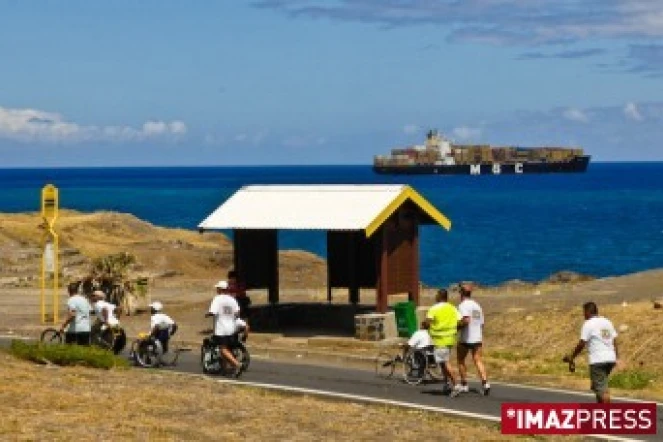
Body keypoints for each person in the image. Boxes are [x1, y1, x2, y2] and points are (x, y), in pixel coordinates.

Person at [564, 301, 619, 403]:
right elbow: (614, 339)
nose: (583, 315)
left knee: (603, 392)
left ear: (587, 312)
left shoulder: (588, 324)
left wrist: (572, 357)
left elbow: (582, 343)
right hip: (610, 359)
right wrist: (617, 357)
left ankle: (608, 416)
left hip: (598, 360)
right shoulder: (607, 321)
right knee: (598, 387)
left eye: (584, 312)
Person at [425, 288, 462, 396]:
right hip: (450, 338)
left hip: (440, 339)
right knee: (442, 362)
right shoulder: (453, 308)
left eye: (437, 295)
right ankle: (446, 383)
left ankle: (456, 384)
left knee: (445, 362)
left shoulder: (434, 308)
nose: (435, 297)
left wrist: (425, 325)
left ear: (440, 296)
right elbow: (460, 321)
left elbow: (428, 322)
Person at [456, 283, 490, 396]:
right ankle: (485, 383)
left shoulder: (463, 305)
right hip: (477, 337)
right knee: (478, 360)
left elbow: (466, 320)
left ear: (461, 293)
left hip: (466, 338)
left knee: (461, 359)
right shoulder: (477, 306)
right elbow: (481, 323)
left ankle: (464, 384)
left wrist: (457, 327)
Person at [206, 280, 243, 376]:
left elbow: (213, 312)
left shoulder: (217, 299)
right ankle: (224, 369)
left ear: (219, 289)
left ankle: (236, 364)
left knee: (222, 349)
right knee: (226, 349)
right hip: (232, 328)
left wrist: (207, 314)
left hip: (221, 329)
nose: (216, 290)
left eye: (217, 288)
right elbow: (237, 313)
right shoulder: (232, 299)